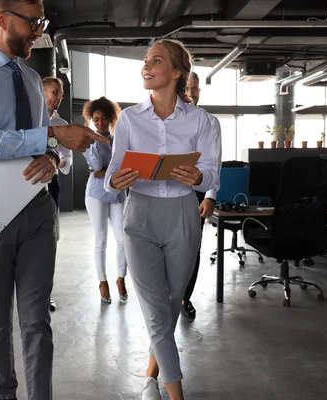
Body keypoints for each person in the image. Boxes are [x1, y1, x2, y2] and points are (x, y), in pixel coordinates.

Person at [0, 1, 107, 399]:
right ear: (0, 18)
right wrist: (52, 139)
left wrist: (53, 156)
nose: (39, 30)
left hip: (35, 209)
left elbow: (51, 144)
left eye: (42, 22)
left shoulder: (34, 80)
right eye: (33, 22)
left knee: (37, 321)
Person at [104, 39, 221, 400]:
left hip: (183, 215)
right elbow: (112, 172)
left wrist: (197, 178)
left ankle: (151, 376)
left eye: (156, 60)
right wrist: (116, 180)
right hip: (139, 214)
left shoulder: (204, 121)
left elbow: (212, 174)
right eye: (144, 61)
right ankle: (176, 393)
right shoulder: (129, 119)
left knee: (171, 303)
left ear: (175, 72)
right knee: (156, 309)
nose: (146, 66)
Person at [181, 71, 219, 320]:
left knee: (192, 248)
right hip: (168, 194)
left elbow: (213, 164)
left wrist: (210, 196)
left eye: (196, 89)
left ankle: (185, 297)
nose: (192, 93)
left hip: (197, 194)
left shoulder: (207, 122)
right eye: (188, 88)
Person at [82, 96, 128, 303]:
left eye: (103, 119)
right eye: (96, 119)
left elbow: (117, 167)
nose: (99, 123)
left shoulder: (118, 139)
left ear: (110, 119)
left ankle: (120, 278)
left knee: (122, 240)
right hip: (96, 194)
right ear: (91, 120)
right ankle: (102, 282)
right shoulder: (89, 140)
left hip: (117, 193)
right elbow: (97, 166)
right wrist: (94, 145)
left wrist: (106, 170)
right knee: (101, 240)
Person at [42, 76, 73, 312]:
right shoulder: (26, 119)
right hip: (22, 187)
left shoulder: (62, 124)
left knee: (49, 240)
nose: (58, 97)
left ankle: (44, 295)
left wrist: (57, 160)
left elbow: (68, 159)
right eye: (54, 92)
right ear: (41, 92)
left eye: (61, 93)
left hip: (50, 186)